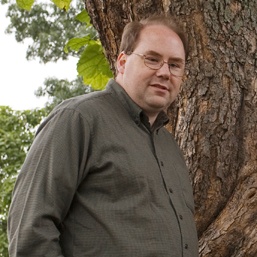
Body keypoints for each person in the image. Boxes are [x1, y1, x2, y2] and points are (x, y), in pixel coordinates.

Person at [8, 14, 199, 257]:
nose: (165, 72)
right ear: (122, 62)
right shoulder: (78, 119)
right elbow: (30, 231)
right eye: (152, 59)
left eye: (174, 65)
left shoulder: (170, 146)